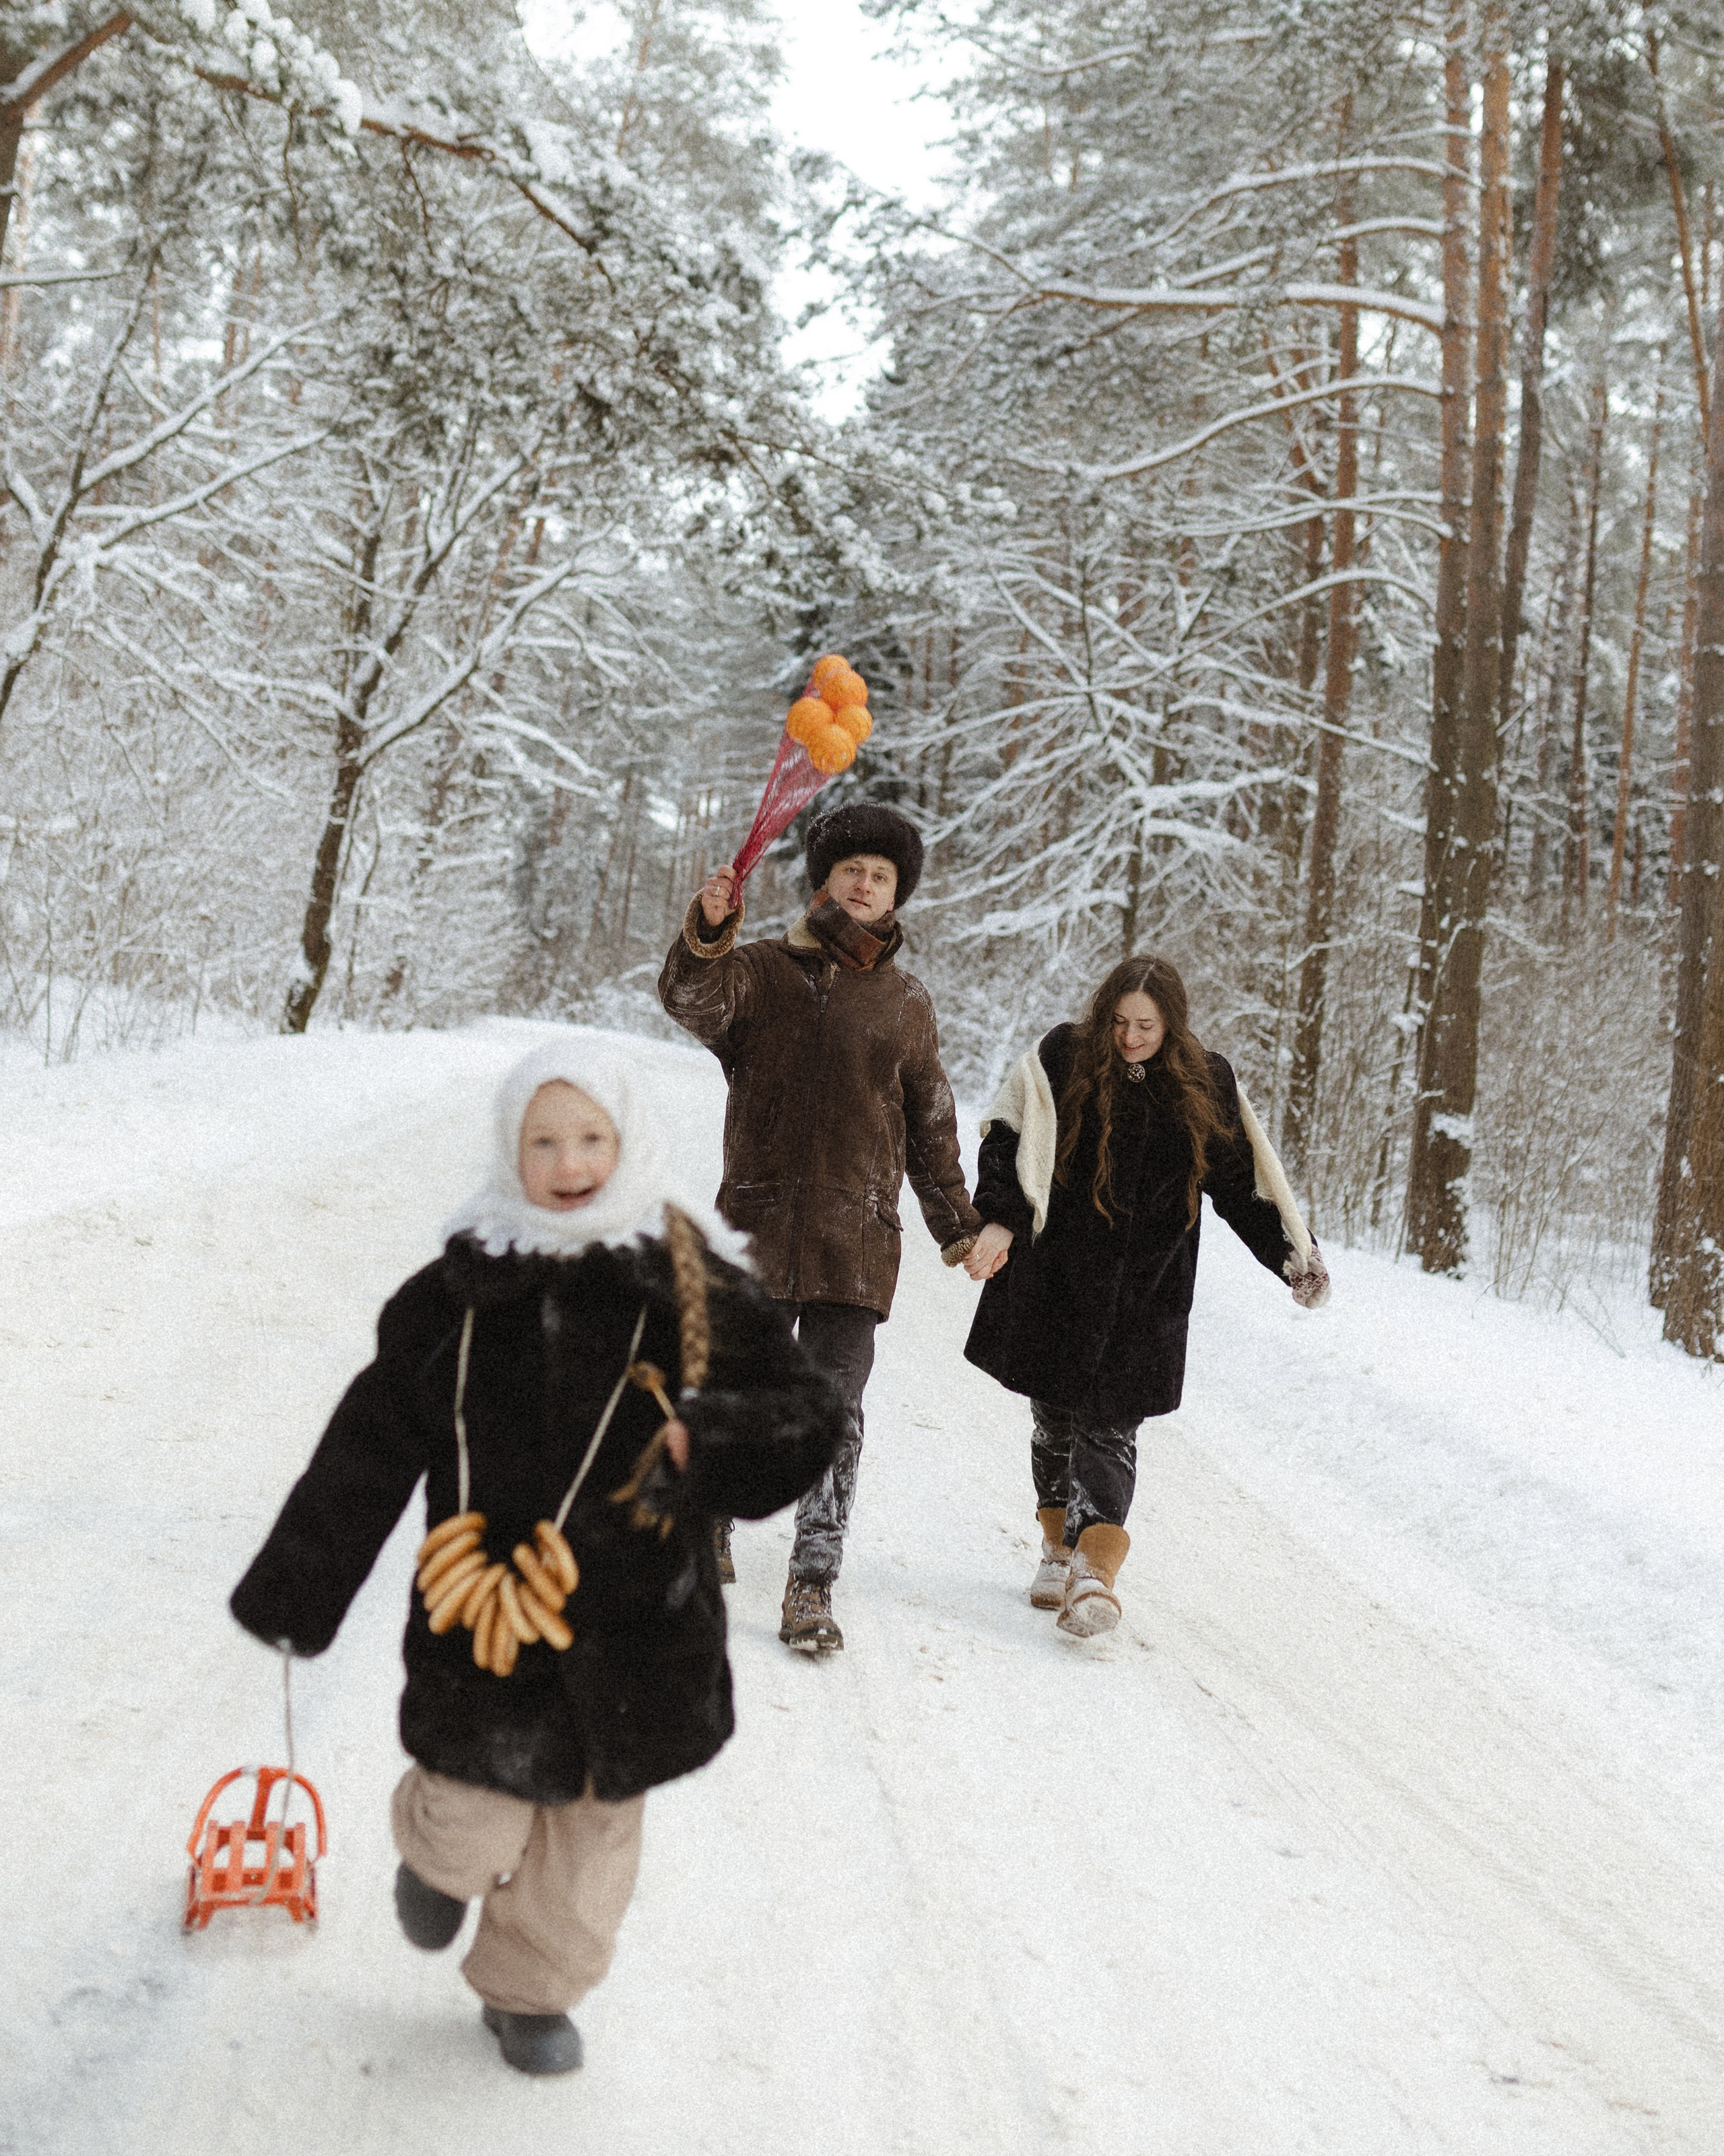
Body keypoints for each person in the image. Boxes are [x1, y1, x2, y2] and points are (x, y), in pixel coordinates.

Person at [229, 1041, 841, 2075]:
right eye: (544, 1141)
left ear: (628, 1140)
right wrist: (302, 1585)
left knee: (587, 1856)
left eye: (592, 1138)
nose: (570, 1163)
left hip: (641, 1636)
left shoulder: (688, 1283)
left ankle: (530, 1993)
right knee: (472, 1816)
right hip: (488, 1621)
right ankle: (436, 1859)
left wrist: (712, 1440)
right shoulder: (460, 1294)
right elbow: (368, 1445)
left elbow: (807, 1412)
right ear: (510, 1150)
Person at [659, 800, 981, 1653]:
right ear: (824, 883)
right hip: (756, 1225)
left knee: (834, 1414)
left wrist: (957, 1223)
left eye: (880, 876)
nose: (865, 885)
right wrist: (709, 931)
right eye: (851, 872)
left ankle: (811, 1582)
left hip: (855, 1240)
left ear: (896, 895)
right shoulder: (760, 974)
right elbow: (690, 998)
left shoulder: (905, 1003)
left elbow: (931, 1121)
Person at [962, 956, 1330, 1638]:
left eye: (1147, 1026)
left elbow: (1243, 1181)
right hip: (1058, 1278)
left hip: (1146, 1292)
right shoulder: (1063, 1057)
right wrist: (1000, 1218)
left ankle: (1094, 1572)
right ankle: (1058, 1547)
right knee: (1056, 1420)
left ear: (1172, 1026)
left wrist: (1292, 1254)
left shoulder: (1205, 1083)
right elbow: (1010, 1137)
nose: (1130, 1038)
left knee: (1112, 1427)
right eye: (1120, 1022)